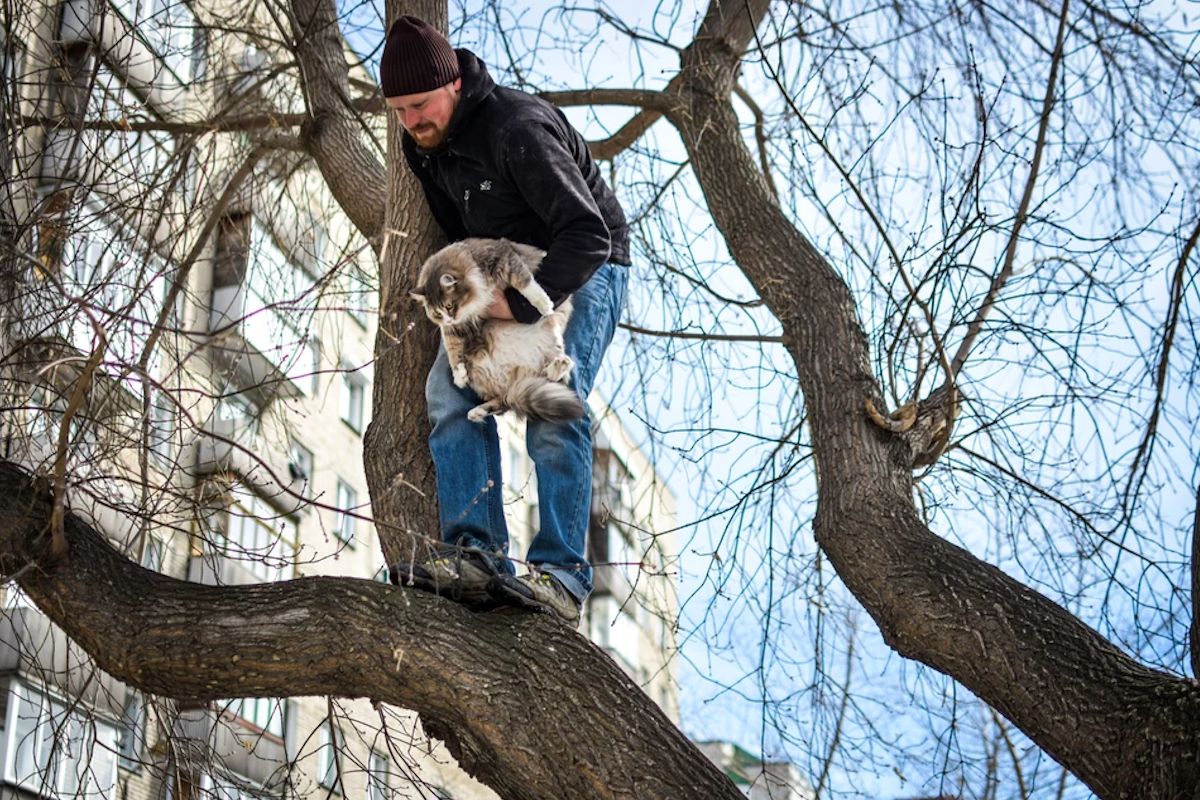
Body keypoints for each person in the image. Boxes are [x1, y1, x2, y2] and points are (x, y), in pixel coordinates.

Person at [381, 15, 630, 624]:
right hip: (496, 274)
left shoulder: (518, 129)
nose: (412, 120)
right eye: (399, 110)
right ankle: (478, 555)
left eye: (420, 104)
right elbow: (459, 234)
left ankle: (562, 575)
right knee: (449, 394)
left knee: (550, 399)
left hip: (579, 267)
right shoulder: (422, 147)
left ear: (454, 84)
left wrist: (515, 308)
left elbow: (587, 235)